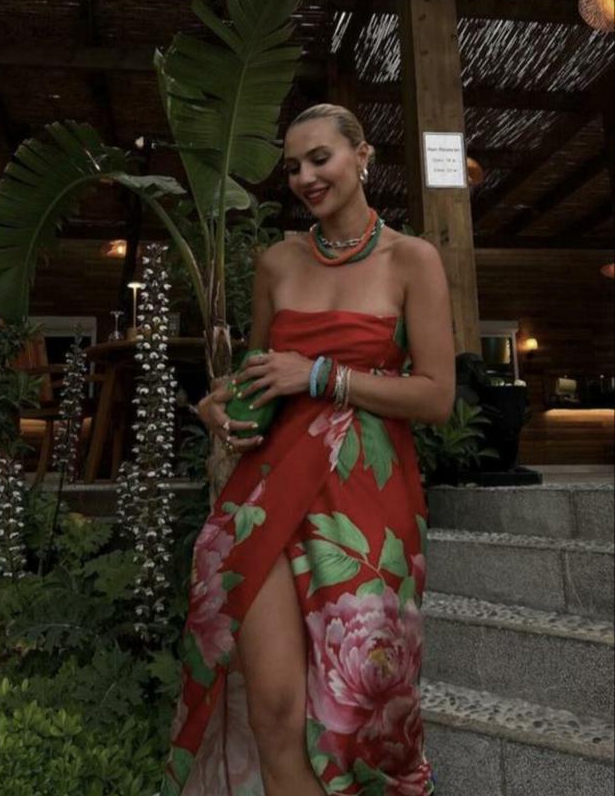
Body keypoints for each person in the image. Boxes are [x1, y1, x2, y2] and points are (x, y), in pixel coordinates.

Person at [159, 103, 455, 796]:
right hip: (268, 491)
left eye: (320, 158)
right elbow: (262, 376)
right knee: (274, 711)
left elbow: (437, 396)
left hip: (368, 504)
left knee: (359, 715)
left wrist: (321, 375)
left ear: (362, 156)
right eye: (293, 167)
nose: (305, 177)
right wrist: (218, 405)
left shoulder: (412, 260)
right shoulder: (277, 263)